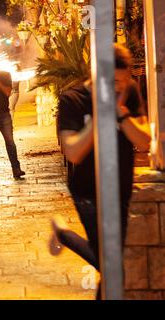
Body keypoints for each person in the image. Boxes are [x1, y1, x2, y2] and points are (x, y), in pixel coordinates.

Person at [50, 44, 151, 299]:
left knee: (110, 264)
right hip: (88, 191)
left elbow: (144, 141)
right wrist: (99, 116)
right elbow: (72, 151)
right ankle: (63, 232)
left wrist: (121, 115)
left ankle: (62, 232)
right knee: (111, 265)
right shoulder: (72, 99)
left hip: (120, 187)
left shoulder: (128, 92)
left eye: (124, 80)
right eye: (114, 81)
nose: (119, 86)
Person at [0, 57, 25, 179]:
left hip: (3, 114)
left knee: (10, 142)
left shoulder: (5, 75)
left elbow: (7, 92)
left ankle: (16, 169)